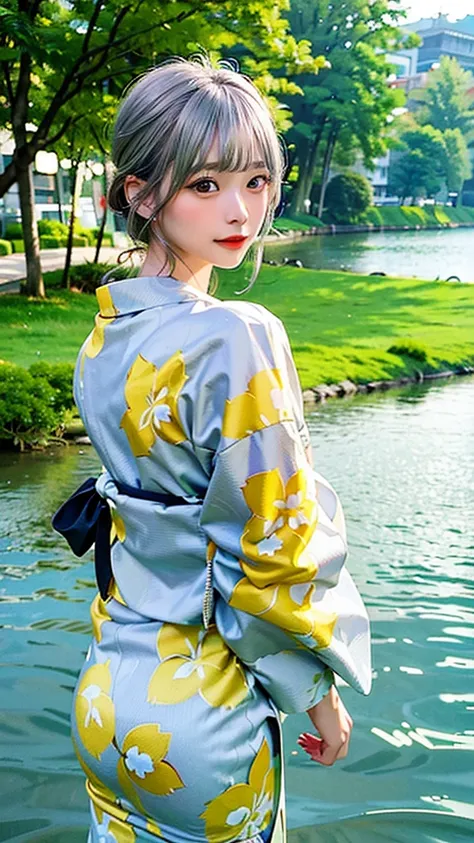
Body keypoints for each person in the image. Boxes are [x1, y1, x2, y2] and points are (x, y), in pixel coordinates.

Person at [54, 56, 371, 843]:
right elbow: (274, 543)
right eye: (205, 185)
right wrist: (319, 692)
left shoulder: (105, 334)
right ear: (141, 192)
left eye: (256, 180)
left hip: (106, 696)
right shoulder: (240, 333)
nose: (241, 209)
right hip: (203, 711)